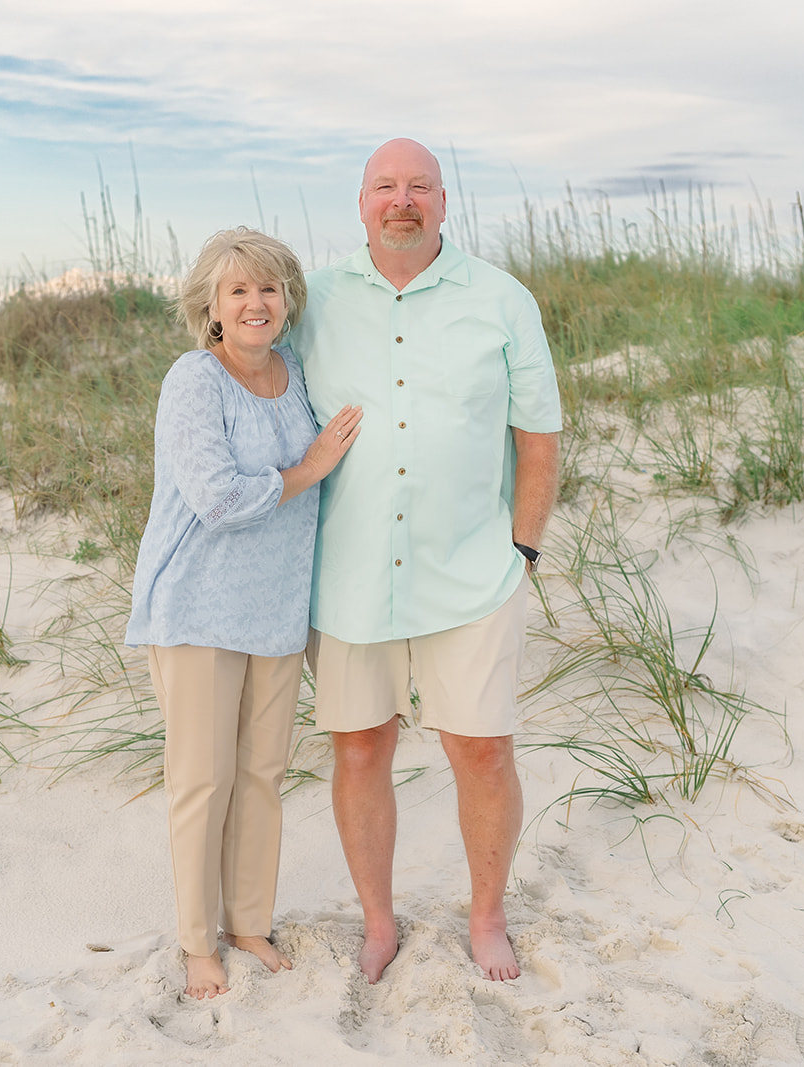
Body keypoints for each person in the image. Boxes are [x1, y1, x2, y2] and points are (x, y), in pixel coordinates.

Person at [292, 138, 562, 984]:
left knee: (481, 751)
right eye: (384, 186)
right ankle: (379, 921)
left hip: (472, 574)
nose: (401, 199)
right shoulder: (315, 301)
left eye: (419, 185)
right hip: (348, 576)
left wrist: (523, 547)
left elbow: (539, 435)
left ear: (445, 201)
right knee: (361, 750)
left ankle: (487, 916)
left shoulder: (502, 299)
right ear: (360, 203)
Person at [125, 227, 363, 999]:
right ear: (212, 307)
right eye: (238, 291)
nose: (256, 302)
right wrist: (310, 468)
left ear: (288, 301)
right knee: (204, 778)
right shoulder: (195, 378)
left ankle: (249, 922)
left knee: (262, 774)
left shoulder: (295, 374)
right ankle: (198, 942)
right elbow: (220, 496)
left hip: (276, 608)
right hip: (198, 606)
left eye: (268, 288)